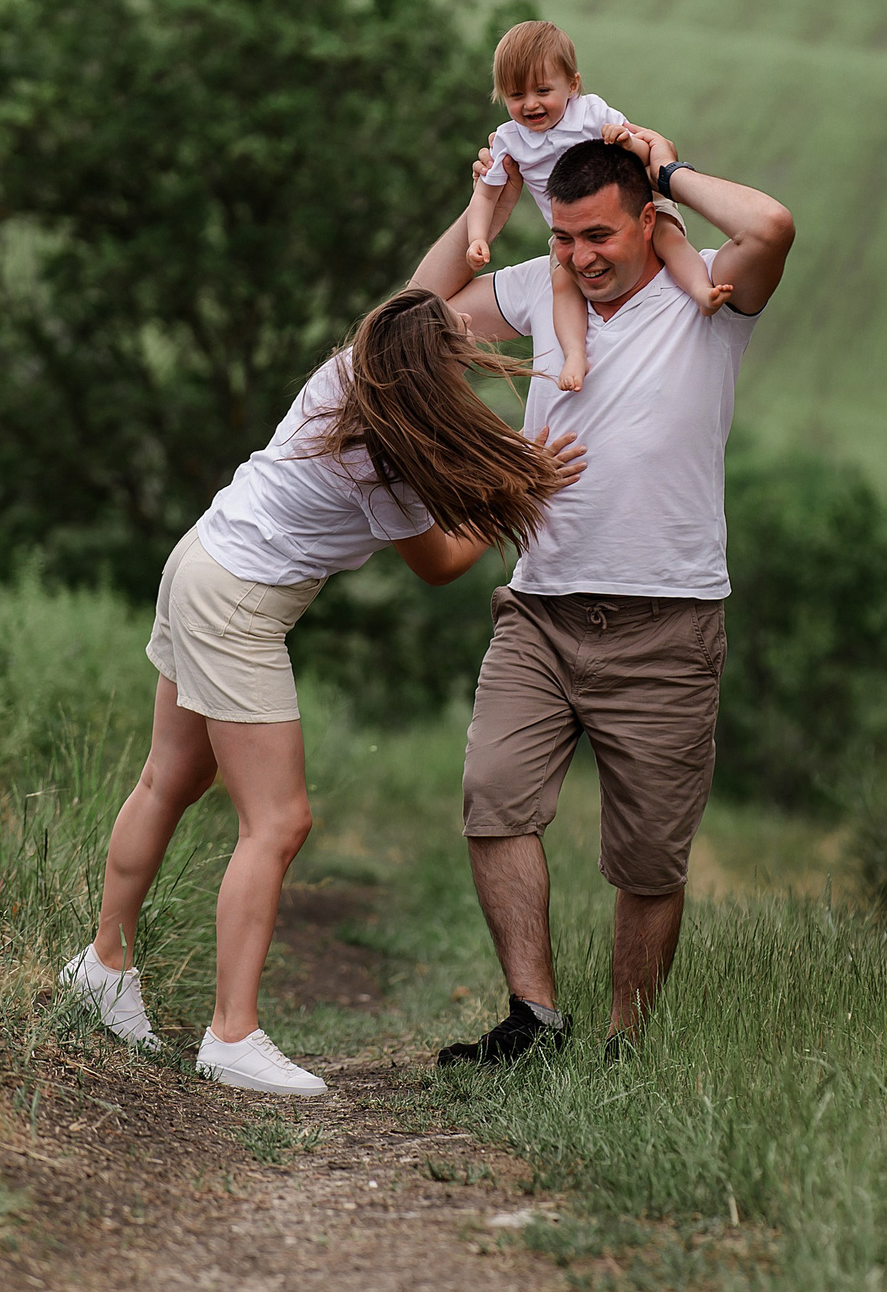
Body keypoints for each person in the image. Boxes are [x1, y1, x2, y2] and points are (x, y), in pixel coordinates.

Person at [61, 289, 583, 1095]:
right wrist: (524, 489)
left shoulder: (350, 375)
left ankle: (103, 969)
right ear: (427, 375)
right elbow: (440, 565)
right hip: (237, 601)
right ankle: (231, 1033)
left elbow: (424, 292)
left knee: (171, 779)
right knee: (277, 820)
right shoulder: (387, 465)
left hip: (200, 558)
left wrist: (487, 194)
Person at [414, 125, 795, 1063]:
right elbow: (414, 317)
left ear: (648, 221)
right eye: (565, 237)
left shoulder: (706, 293)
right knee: (494, 796)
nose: (581, 257)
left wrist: (666, 168)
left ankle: (625, 1048)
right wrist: (485, 211)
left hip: (668, 620)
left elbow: (775, 225)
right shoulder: (540, 292)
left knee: (650, 856)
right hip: (539, 611)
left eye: (600, 236)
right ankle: (533, 1021)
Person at [459, 20, 731, 392]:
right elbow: (486, 193)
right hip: (572, 235)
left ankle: (701, 290)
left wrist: (625, 141)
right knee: (561, 285)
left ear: (572, 85)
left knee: (667, 237)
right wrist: (478, 238)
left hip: (637, 204)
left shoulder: (590, 112)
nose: (531, 104)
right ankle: (573, 354)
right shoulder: (509, 139)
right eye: (516, 95)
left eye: (542, 90)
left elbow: (646, 148)